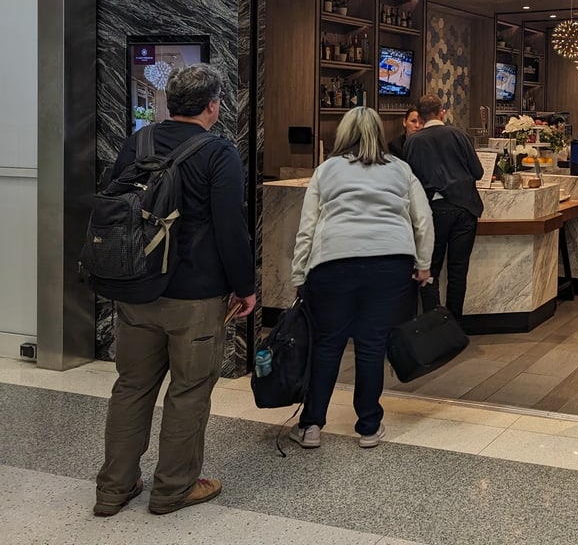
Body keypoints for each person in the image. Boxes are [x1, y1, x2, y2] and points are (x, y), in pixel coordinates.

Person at [94, 63, 255, 517]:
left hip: (135, 289)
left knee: (131, 387)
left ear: (169, 102)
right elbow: (231, 228)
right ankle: (173, 489)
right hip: (195, 297)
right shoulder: (218, 152)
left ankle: (114, 488)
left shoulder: (136, 142)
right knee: (188, 391)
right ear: (212, 105)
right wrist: (245, 288)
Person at [289, 107, 434, 450]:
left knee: (327, 345)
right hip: (390, 265)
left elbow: (307, 228)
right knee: (371, 346)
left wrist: (299, 273)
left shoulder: (326, 170)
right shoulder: (400, 169)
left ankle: (311, 426)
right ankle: (369, 426)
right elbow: (423, 220)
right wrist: (423, 264)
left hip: (333, 263)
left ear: (342, 134)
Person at [402, 94, 484, 320]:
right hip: (464, 209)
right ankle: (455, 324)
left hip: (433, 211)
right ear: (442, 112)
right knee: (458, 271)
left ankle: (435, 324)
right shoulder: (458, 135)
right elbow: (478, 172)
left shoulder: (413, 142)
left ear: (420, 116)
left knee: (430, 269)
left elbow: (408, 180)